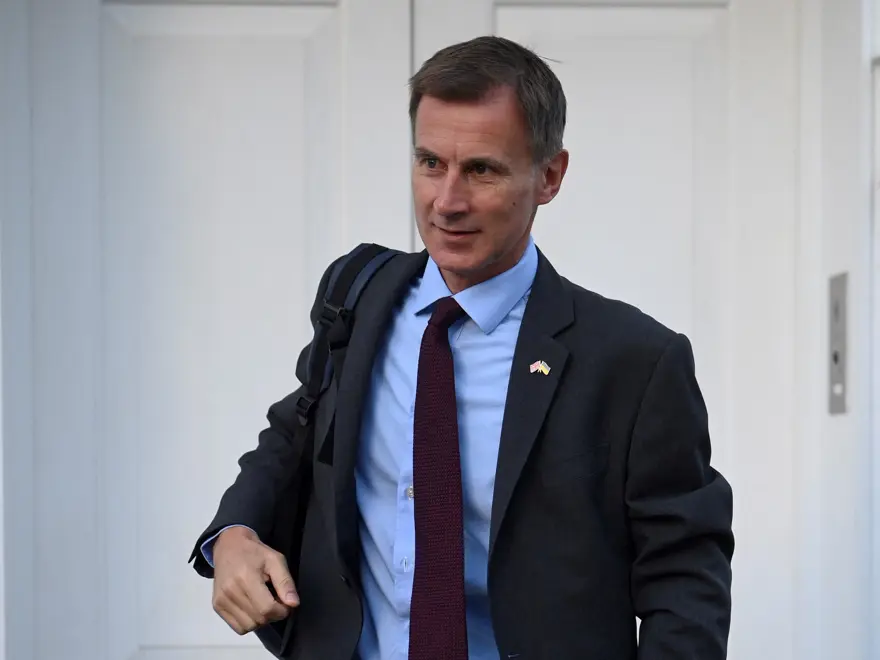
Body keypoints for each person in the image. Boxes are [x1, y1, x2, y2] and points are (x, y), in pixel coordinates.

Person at [190, 35, 734, 660]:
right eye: (430, 163)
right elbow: (297, 432)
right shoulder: (357, 294)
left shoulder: (635, 360)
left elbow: (684, 574)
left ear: (549, 176)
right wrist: (233, 533)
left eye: (481, 170)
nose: (446, 202)